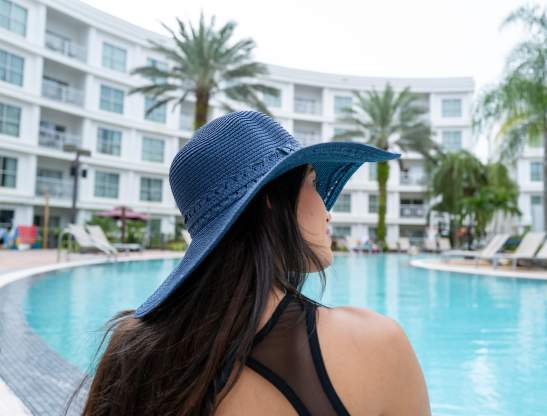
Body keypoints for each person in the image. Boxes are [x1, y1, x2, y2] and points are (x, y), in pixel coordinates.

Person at [68, 111, 430, 415]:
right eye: (313, 184)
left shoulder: (132, 353)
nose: (327, 211)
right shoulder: (375, 346)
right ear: (271, 199)